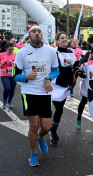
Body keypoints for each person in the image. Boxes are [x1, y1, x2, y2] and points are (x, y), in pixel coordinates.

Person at [13, 24, 59, 166]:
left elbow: (56, 70)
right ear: (29, 35)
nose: (37, 33)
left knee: (45, 127)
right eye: (34, 31)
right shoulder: (22, 52)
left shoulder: (50, 51)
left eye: (39, 31)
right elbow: (15, 75)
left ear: (41, 34)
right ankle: (33, 153)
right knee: (34, 125)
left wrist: (48, 79)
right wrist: (26, 77)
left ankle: (40, 138)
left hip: (45, 92)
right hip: (29, 93)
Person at [49, 32, 78, 146]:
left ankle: (52, 129)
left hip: (66, 85)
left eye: (66, 38)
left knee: (59, 111)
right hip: (55, 84)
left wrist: (76, 70)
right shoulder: (54, 52)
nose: (65, 39)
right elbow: (57, 68)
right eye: (62, 38)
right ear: (57, 40)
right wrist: (71, 70)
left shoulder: (71, 52)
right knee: (58, 110)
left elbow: (74, 66)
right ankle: (52, 131)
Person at [0, 43, 16, 109]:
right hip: (4, 74)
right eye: (10, 49)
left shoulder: (15, 55)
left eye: (12, 49)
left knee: (12, 89)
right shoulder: (1, 54)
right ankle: (4, 101)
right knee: (7, 88)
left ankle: (9, 101)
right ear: (6, 49)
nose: (11, 50)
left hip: (13, 75)